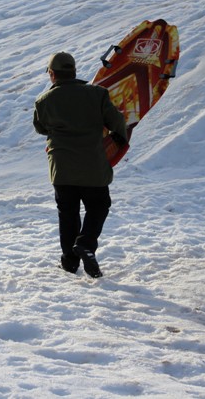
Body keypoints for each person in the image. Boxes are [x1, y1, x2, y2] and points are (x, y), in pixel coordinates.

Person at [33, 52, 128, 278]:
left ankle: (69, 261)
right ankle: (86, 243)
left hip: (62, 168)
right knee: (98, 206)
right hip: (93, 165)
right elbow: (117, 122)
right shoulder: (97, 94)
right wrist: (119, 141)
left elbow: (41, 128)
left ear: (52, 74)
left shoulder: (44, 101)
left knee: (67, 213)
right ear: (74, 71)